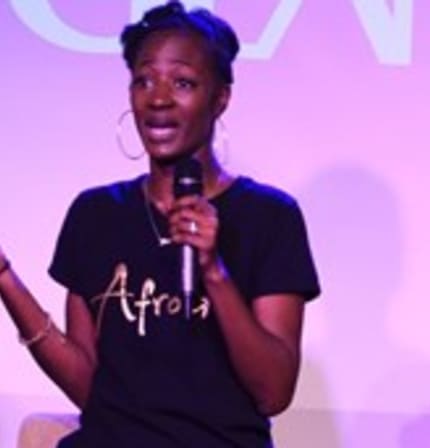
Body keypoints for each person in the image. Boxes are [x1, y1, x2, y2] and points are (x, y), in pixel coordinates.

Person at [0, 2, 320, 446]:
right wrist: (4, 277)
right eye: (144, 81)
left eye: (183, 82)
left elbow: (273, 392)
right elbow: (89, 389)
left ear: (221, 98)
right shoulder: (96, 214)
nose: (158, 99)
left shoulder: (269, 217)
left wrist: (214, 271)